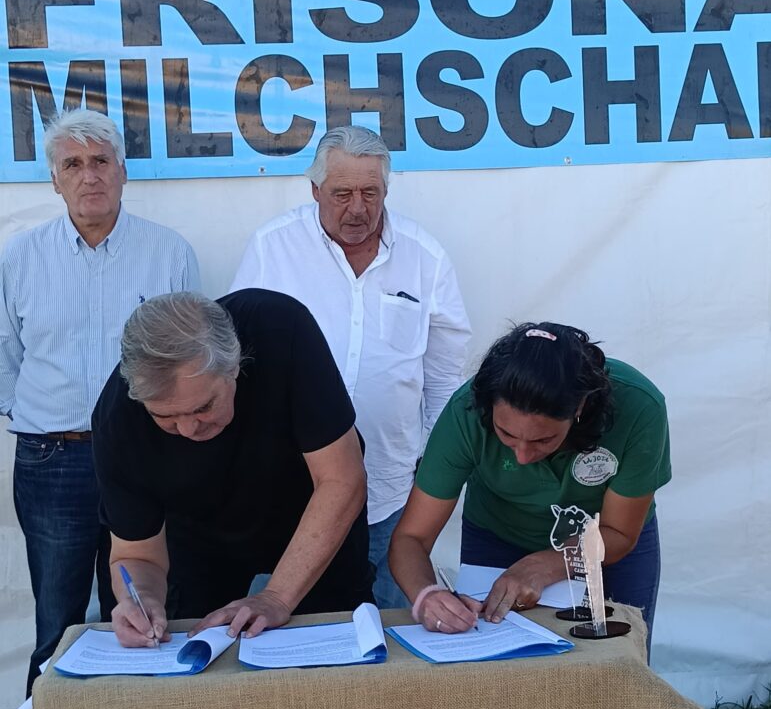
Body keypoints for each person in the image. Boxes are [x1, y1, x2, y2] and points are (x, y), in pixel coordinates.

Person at [0, 109, 199, 709]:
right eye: (73, 165)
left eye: (100, 161)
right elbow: (7, 355)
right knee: (58, 614)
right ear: (54, 180)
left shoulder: (168, 254)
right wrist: (35, 415)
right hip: (51, 459)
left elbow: (191, 357)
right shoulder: (20, 259)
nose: (89, 176)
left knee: (144, 605)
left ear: (123, 171)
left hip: (144, 457)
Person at [229, 126, 471, 609]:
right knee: (280, 621)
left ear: (386, 190)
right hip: (290, 490)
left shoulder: (424, 257)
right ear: (314, 189)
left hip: (389, 487)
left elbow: (445, 374)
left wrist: (430, 457)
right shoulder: (274, 248)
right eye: (342, 194)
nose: (358, 208)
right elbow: (237, 361)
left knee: (391, 629)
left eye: (370, 193)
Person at [91, 289, 372, 649]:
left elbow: (342, 479)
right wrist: (142, 599)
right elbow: (136, 554)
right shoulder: (117, 420)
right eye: (165, 417)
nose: (188, 429)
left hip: (313, 523)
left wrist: (276, 597)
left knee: (331, 651)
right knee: (195, 652)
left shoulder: (279, 327)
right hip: (198, 541)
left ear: (235, 364)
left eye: (203, 407)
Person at [389, 322, 671, 653]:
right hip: (498, 534)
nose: (522, 456)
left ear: (579, 408)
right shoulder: (465, 412)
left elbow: (619, 532)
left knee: (616, 659)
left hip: (605, 540)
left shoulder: (639, 407)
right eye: (505, 434)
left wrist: (546, 564)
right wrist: (427, 596)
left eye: (543, 439)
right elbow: (411, 537)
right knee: (496, 661)